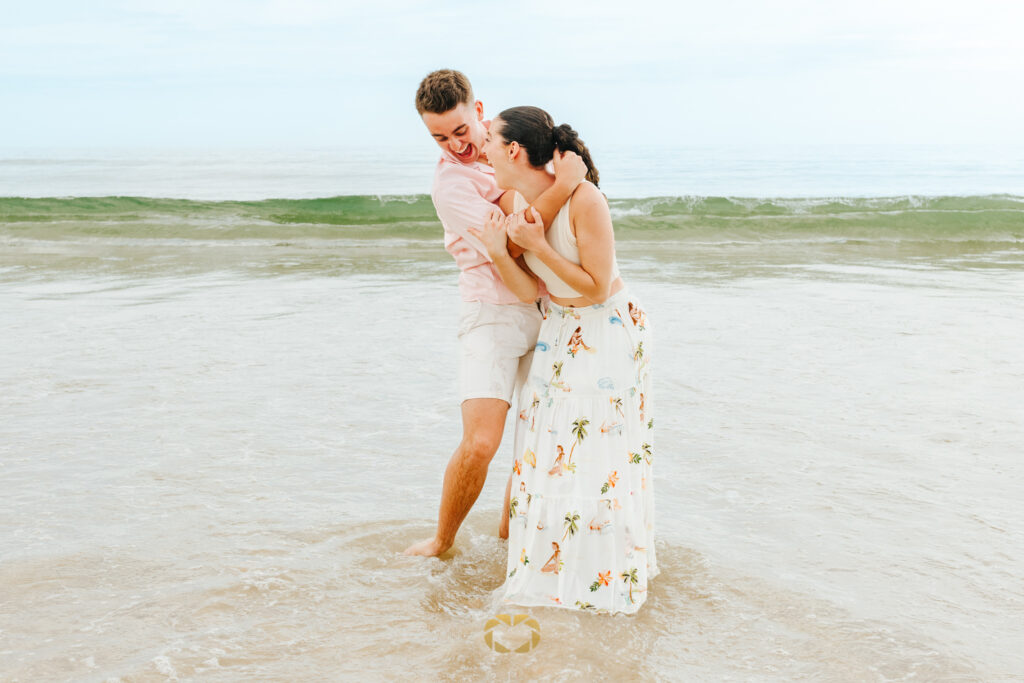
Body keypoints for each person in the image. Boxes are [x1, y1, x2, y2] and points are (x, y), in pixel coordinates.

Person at [471, 106, 658, 613]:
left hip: (605, 332)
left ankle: (600, 576)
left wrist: (534, 244)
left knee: (598, 458)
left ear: (513, 150)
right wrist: (499, 251)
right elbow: (533, 291)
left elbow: (597, 288)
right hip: (559, 330)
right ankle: (555, 573)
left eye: (489, 139)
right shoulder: (517, 200)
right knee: (550, 451)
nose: (482, 148)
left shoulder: (584, 199)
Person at [403, 71, 587, 557]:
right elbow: (513, 240)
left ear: (478, 110)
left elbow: (530, 215)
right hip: (492, 311)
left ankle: (511, 544)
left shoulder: (509, 145)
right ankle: (442, 542)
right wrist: (564, 187)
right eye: (439, 137)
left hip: (548, 308)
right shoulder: (451, 185)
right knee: (482, 443)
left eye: (461, 131)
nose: (454, 146)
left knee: (535, 441)